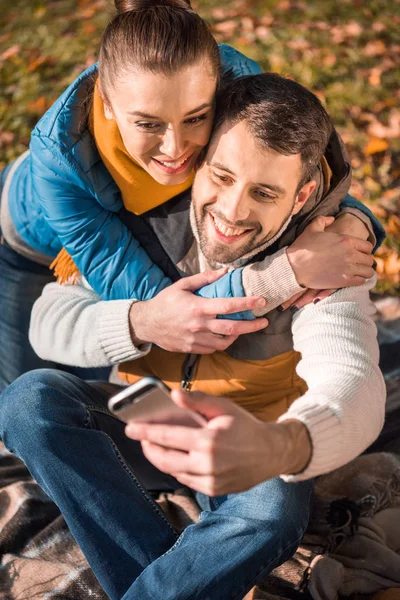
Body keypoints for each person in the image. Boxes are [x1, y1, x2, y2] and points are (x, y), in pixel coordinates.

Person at [0, 73, 386, 600]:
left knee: (271, 507)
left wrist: (282, 445)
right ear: (200, 160)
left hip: (249, 439)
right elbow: (49, 322)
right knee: (28, 401)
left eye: (264, 192)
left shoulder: (327, 256)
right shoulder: (136, 220)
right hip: (148, 415)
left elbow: (355, 377)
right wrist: (141, 321)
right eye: (221, 176)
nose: (231, 212)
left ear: (304, 196)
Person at [0, 0, 384, 391]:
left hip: (134, 233)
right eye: (148, 123)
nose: (176, 148)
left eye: (197, 117)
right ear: (108, 105)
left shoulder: (234, 81)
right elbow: (175, 311)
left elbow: (293, 164)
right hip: (26, 245)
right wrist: (289, 271)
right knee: (29, 393)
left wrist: (351, 219)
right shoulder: (58, 160)